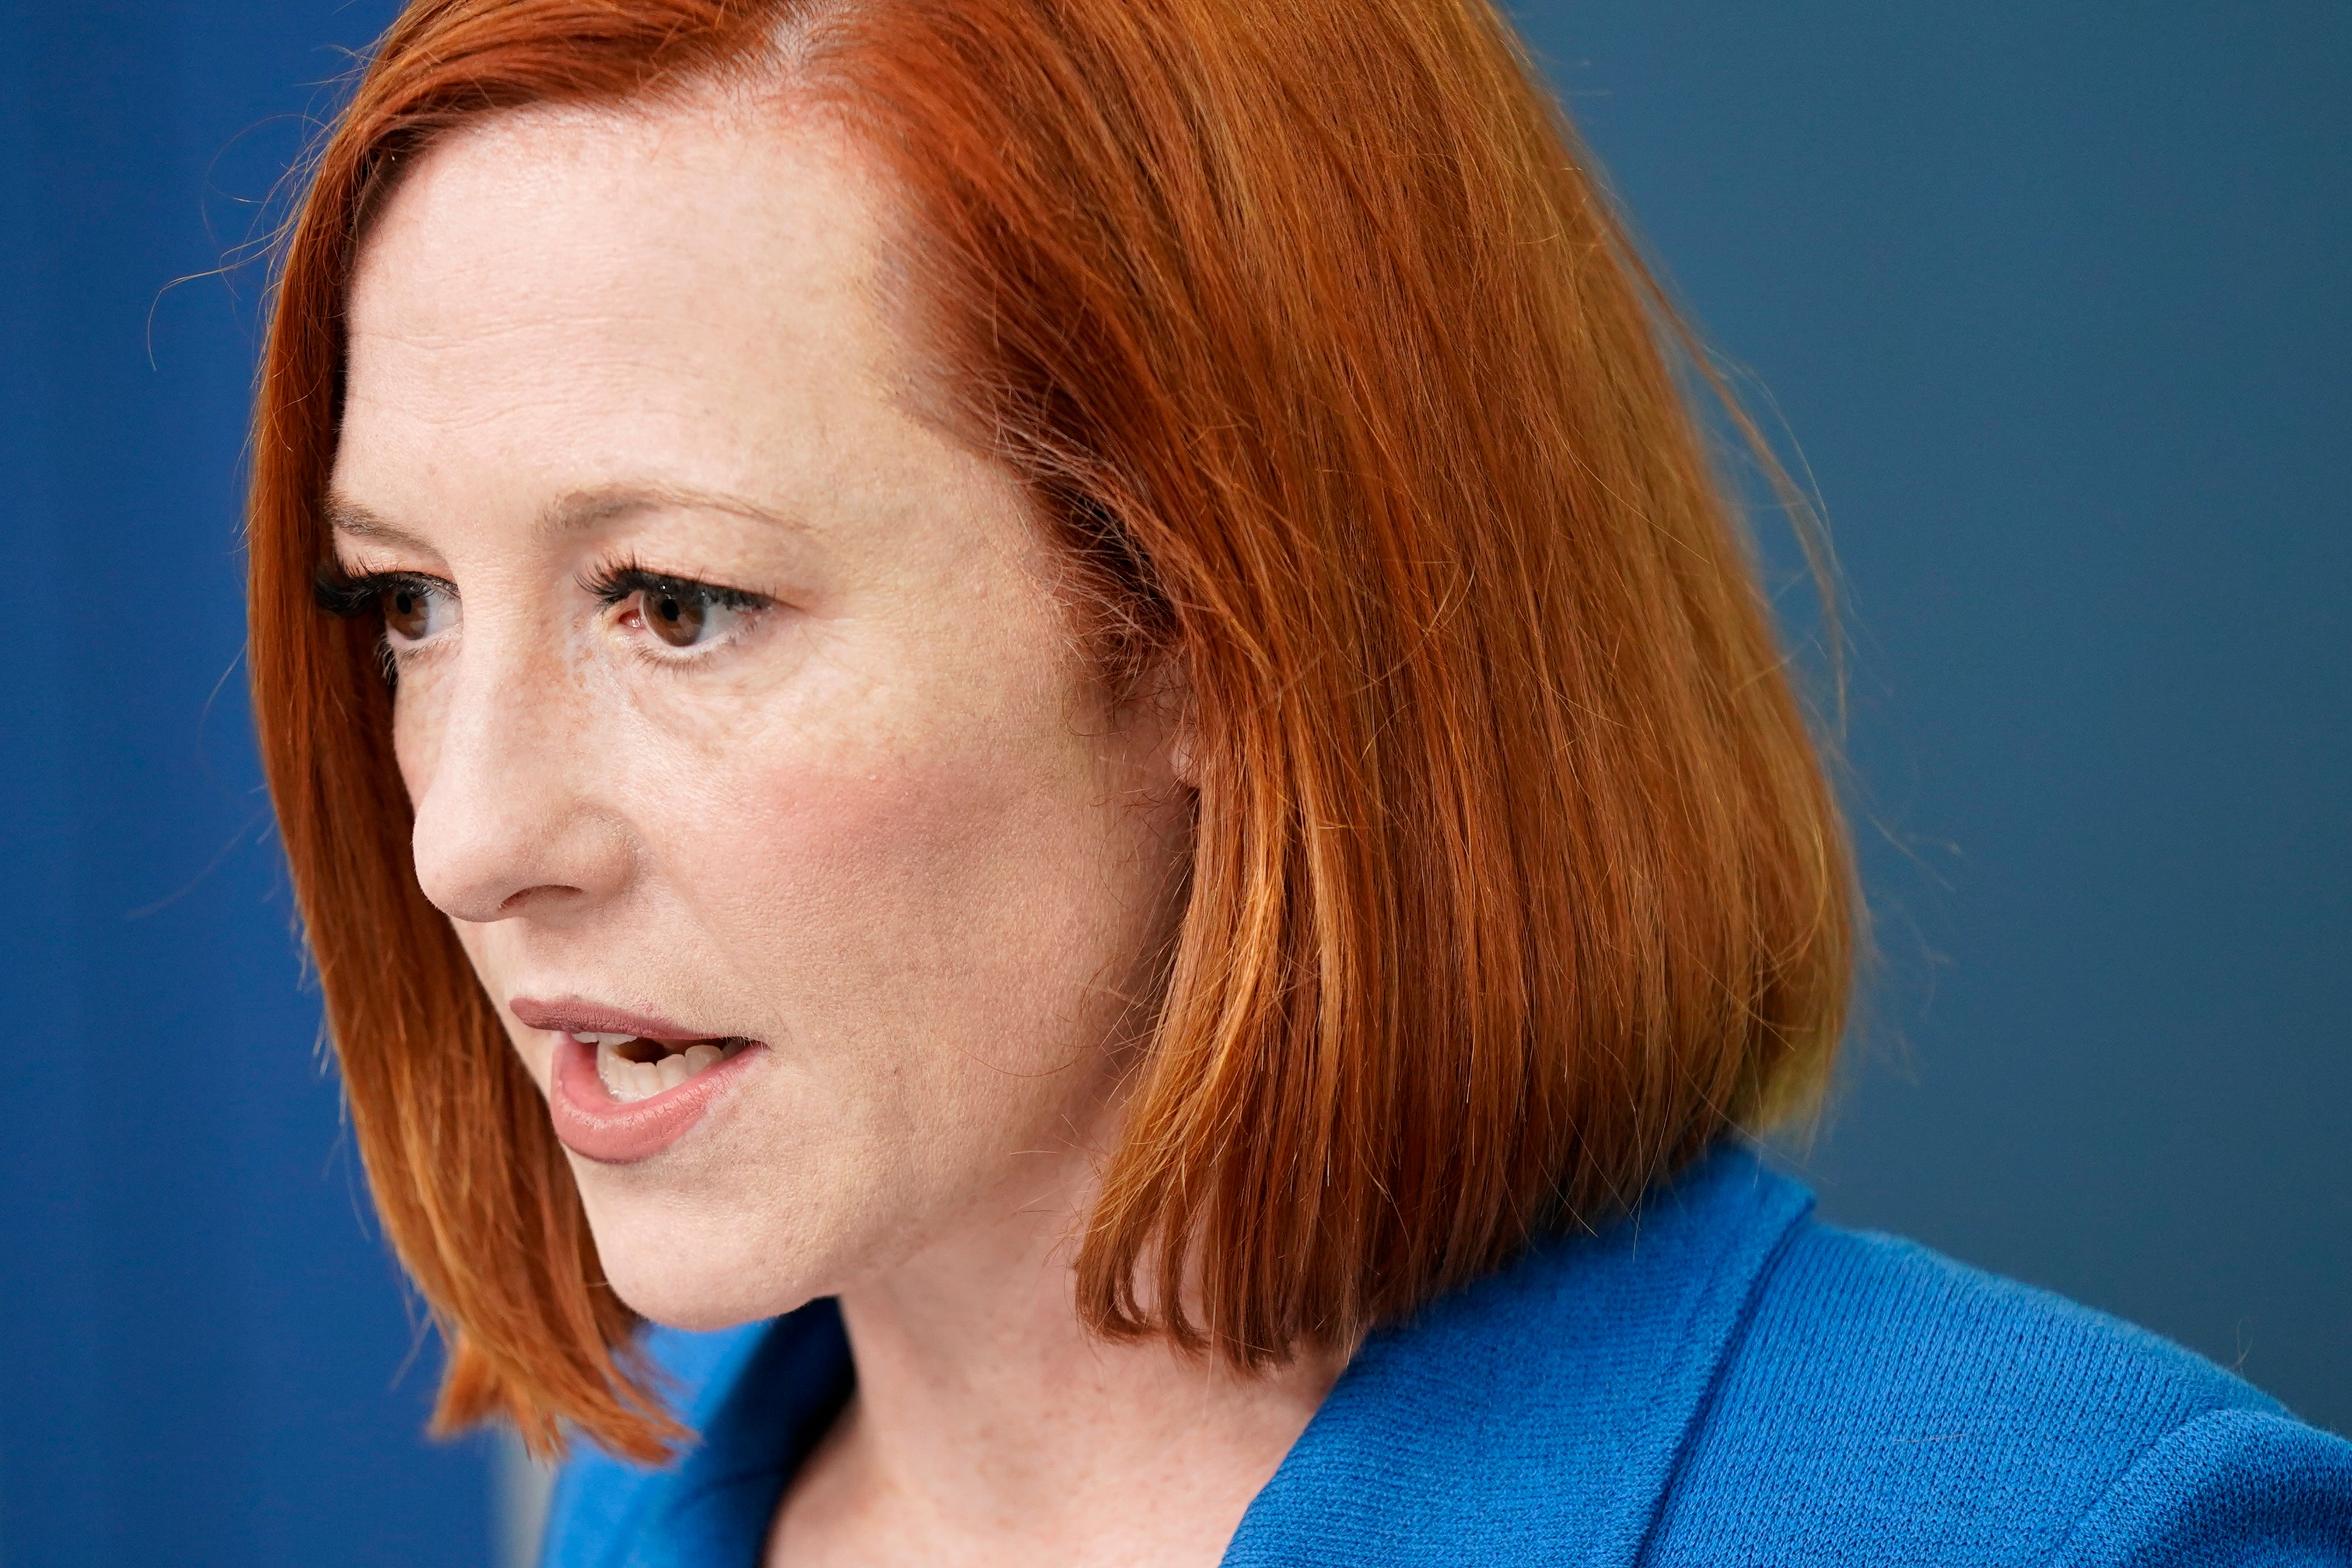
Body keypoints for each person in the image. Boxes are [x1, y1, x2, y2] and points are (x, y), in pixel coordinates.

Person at [246, 0, 2352, 1562]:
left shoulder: (2074, 1533)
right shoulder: (627, 1497)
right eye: (404, 607)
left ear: (1230, 630)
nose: (468, 839)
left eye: (676, 604)